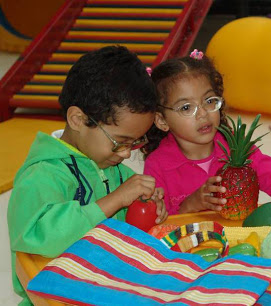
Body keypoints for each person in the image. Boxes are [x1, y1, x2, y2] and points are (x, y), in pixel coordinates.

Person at [7, 46, 168, 305]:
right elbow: (38, 236)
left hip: (104, 285)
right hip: (53, 295)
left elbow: (122, 229)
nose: (126, 154)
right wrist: (114, 200)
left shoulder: (111, 164)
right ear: (78, 119)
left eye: (135, 142)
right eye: (120, 141)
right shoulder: (41, 176)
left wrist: (146, 207)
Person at [142, 50, 271, 215]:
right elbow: (155, 226)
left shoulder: (238, 148)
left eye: (209, 101)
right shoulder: (157, 165)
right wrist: (188, 206)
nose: (203, 113)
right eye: (186, 107)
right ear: (162, 121)